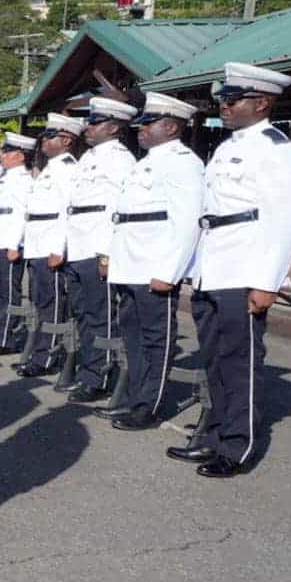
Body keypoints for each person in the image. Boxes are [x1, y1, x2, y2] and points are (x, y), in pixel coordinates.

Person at [170, 63, 291, 478]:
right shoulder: (228, 146)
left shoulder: (275, 149)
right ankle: (212, 435)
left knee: (239, 361)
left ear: (261, 103)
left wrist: (267, 282)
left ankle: (237, 447)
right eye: (222, 100)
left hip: (244, 268)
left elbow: (284, 220)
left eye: (232, 99)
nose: (223, 106)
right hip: (215, 265)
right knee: (214, 359)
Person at [104, 93, 204, 431]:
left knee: (155, 338)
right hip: (130, 263)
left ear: (172, 126)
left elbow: (187, 220)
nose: (140, 128)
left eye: (149, 122)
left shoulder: (183, 161)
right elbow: (126, 218)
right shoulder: (144, 162)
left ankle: (150, 404)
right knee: (132, 335)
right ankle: (135, 398)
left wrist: (169, 271)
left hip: (154, 266)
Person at [64, 96, 138, 404]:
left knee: (100, 315)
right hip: (78, 243)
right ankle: (88, 369)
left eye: (94, 122)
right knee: (82, 311)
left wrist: (107, 252)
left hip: (97, 246)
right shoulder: (87, 158)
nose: (87, 127)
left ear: (113, 125)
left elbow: (118, 210)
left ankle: (100, 375)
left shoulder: (122, 160)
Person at [16, 113, 83, 378]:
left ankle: (47, 357)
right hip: (37, 243)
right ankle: (40, 352)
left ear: (66, 139)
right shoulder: (51, 168)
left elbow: (68, 211)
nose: (43, 140)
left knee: (52, 303)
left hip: (50, 245)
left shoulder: (68, 169)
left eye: (49, 135)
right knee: (40, 301)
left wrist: (58, 247)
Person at [0, 132, 35, 355]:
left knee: (9, 292)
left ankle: (5, 339)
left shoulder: (23, 180)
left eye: (8, 151)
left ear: (20, 155)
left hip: (8, 240)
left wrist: (15, 244)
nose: (2, 155)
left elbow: (22, 213)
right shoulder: (1, 176)